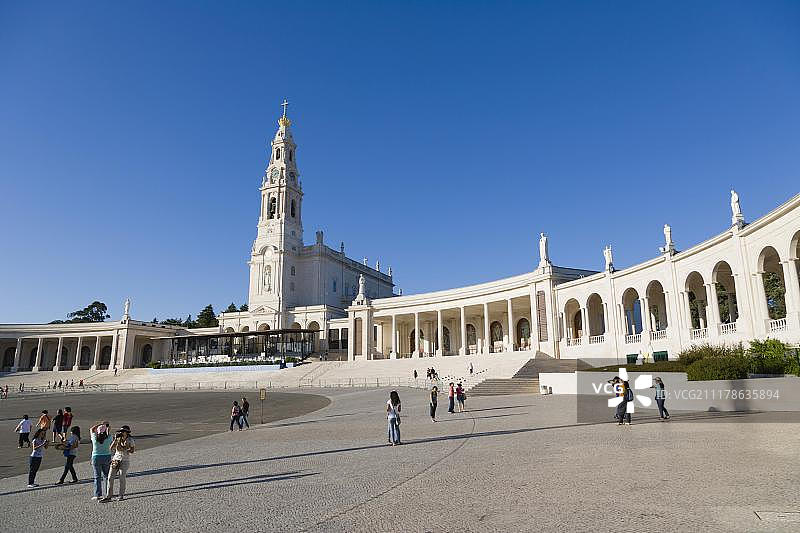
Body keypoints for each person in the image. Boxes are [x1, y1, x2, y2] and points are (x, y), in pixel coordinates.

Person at [101, 425, 135, 502]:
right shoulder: (118, 439)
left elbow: (132, 450)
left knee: (122, 478)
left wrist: (127, 449)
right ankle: (108, 496)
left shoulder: (130, 440)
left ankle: (121, 495)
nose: (121, 433)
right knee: (110, 478)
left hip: (124, 461)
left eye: (123, 432)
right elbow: (111, 448)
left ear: (127, 432)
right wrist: (115, 440)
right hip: (115, 460)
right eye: (121, 432)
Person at [90, 422, 113, 500]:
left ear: (98, 432)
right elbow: (109, 431)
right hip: (107, 457)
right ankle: (108, 493)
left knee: (97, 477)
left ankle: (97, 494)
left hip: (96, 457)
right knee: (107, 476)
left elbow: (91, 429)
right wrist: (107, 428)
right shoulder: (109, 438)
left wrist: (100, 423)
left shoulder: (95, 438)